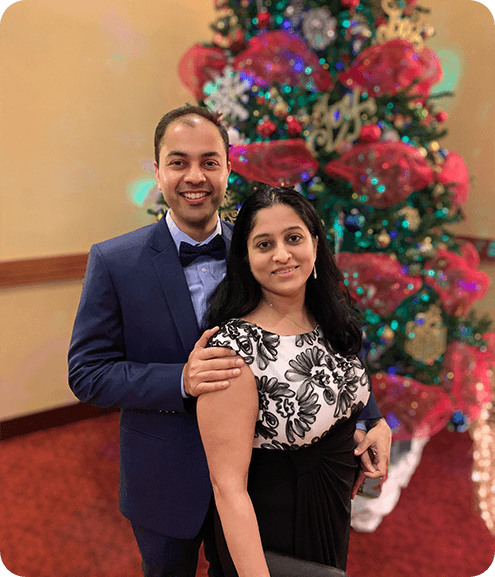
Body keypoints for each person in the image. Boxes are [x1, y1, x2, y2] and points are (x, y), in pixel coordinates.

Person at [68, 105, 389, 577]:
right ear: (157, 172)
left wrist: (370, 415)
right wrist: (180, 379)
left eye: (209, 161)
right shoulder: (115, 262)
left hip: (262, 482)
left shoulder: (264, 245)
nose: (194, 176)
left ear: (228, 168)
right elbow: (87, 373)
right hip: (166, 480)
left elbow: (320, 334)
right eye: (178, 162)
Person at [197, 184, 391, 577]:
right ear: (246, 258)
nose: (282, 255)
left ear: (315, 244)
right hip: (273, 525)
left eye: (293, 238)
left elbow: (343, 395)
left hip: (331, 505)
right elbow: (227, 488)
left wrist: (378, 426)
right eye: (264, 244)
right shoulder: (234, 349)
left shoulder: (332, 318)